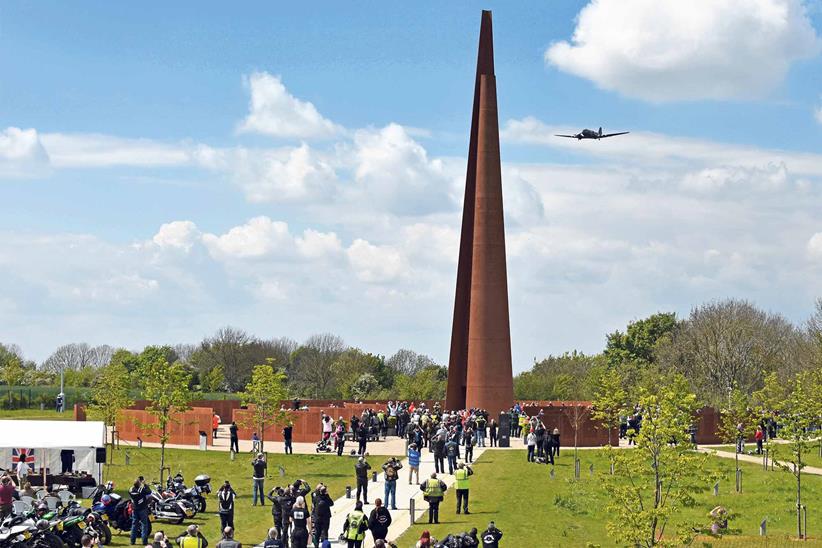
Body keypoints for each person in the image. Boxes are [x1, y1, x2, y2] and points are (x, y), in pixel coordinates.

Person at [129, 477, 151, 546]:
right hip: (142, 509)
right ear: (139, 484)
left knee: (134, 525)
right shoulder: (142, 490)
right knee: (144, 525)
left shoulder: (131, 490)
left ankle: (132, 541)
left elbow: (132, 489)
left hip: (135, 509)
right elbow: (149, 491)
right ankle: (144, 541)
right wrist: (145, 484)